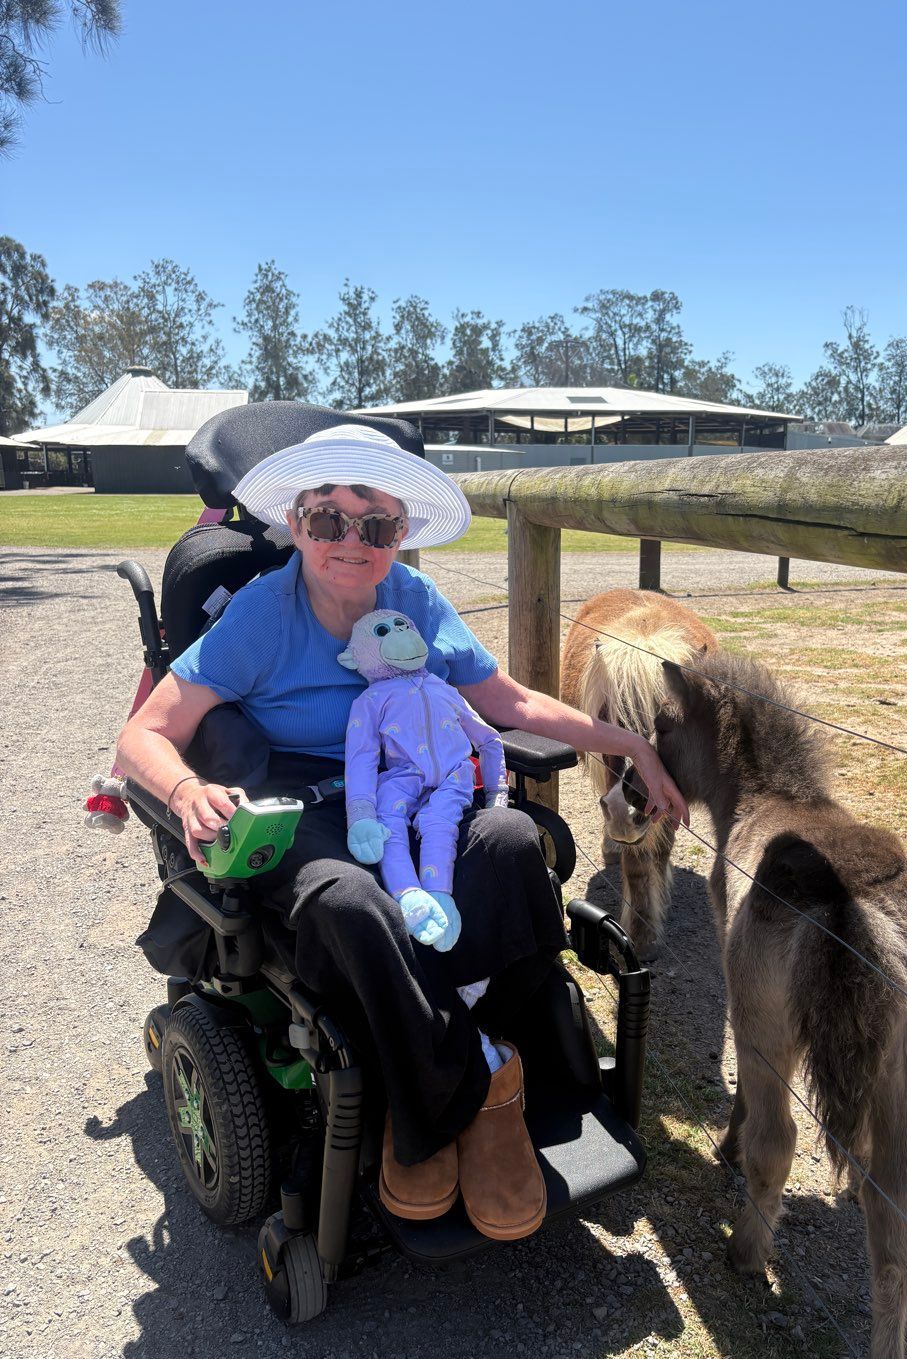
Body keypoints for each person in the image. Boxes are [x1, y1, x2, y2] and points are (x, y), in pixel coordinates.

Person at [115, 423, 688, 1242]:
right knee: (351, 904)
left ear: (399, 535)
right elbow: (144, 733)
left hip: (415, 794)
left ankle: (506, 1065)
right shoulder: (259, 615)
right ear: (298, 524)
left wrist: (629, 743)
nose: (352, 541)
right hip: (305, 810)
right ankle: (469, 1099)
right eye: (328, 520)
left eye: (376, 524)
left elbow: (512, 705)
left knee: (516, 845)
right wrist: (184, 787)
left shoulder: (413, 601)